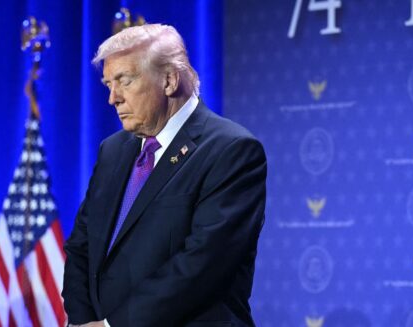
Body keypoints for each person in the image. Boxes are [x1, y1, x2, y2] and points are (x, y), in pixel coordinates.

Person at [62, 24, 267, 327]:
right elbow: (82, 246)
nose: (113, 98)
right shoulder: (113, 151)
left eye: (124, 81)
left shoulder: (231, 150)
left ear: (169, 80)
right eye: (108, 84)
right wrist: (82, 322)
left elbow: (202, 266)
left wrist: (113, 326)